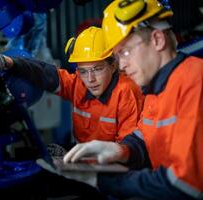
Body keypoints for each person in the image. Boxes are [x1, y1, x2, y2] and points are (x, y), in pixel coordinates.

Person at [37, 0, 203, 199]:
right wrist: (121, 150)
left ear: (157, 39)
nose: (122, 65)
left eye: (125, 52)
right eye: (117, 56)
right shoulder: (156, 88)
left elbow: (184, 183)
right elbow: (146, 138)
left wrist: (101, 180)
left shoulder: (194, 81)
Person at [0, 26, 144, 199]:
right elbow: (47, 74)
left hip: (117, 177)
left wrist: (82, 165)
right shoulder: (80, 84)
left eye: (98, 69)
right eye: (83, 70)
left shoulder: (126, 92)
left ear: (113, 65)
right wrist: (9, 62)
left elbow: (128, 153)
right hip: (87, 166)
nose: (90, 79)